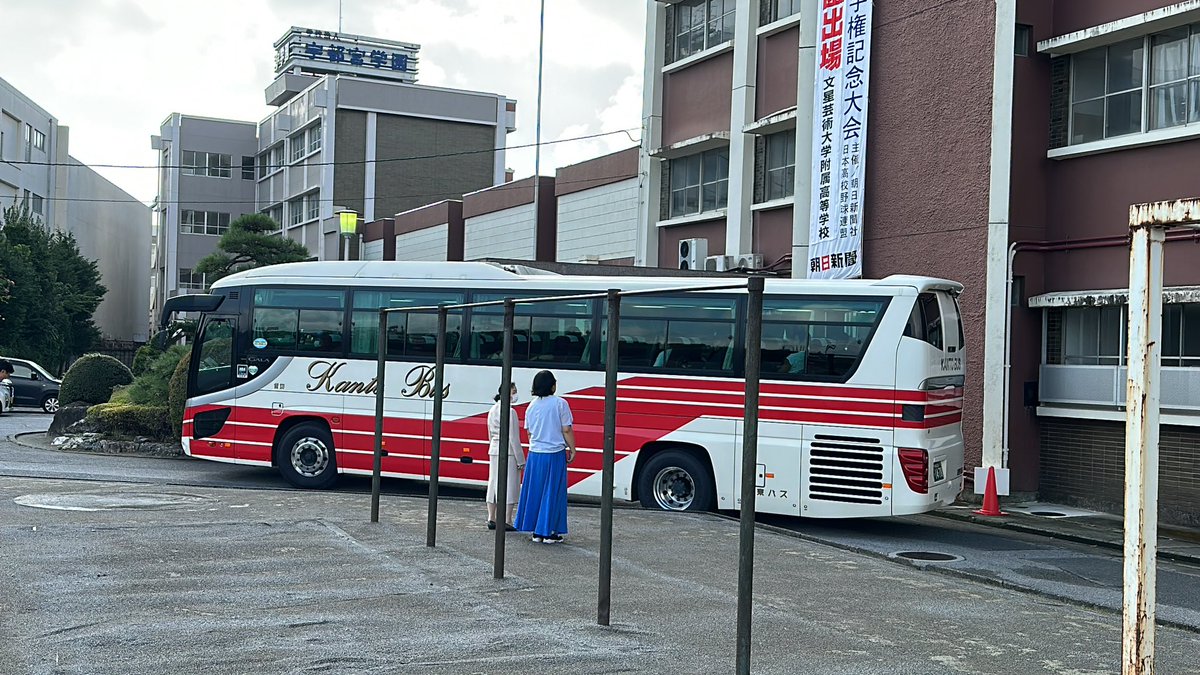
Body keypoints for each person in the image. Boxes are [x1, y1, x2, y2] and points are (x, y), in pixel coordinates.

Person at [514, 370, 575, 544]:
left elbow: (528, 432)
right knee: (553, 492)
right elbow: (566, 429)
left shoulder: (531, 406)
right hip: (554, 453)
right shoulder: (560, 403)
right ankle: (549, 531)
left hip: (535, 454)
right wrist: (573, 448)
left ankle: (537, 531)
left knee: (536, 492)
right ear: (552, 385)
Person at [486, 382, 525, 530]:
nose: (515, 394)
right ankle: (507, 519)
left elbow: (490, 434)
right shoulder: (511, 412)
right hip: (508, 452)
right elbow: (514, 438)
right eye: (514, 391)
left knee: (493, 483)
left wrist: (493, 445)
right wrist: (521, 459)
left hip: (494, 449)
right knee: (510, 485)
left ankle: (491, 517)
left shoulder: (492, 409)